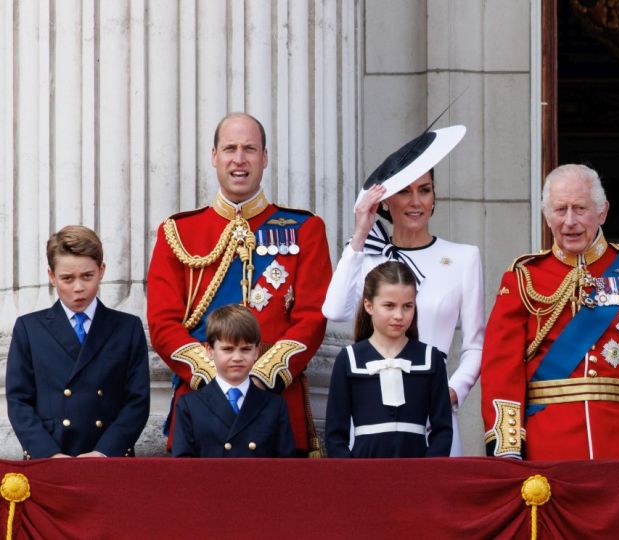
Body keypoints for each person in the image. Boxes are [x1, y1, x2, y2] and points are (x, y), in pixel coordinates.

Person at [147, 112, 332, 456]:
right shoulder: (178, 232)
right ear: (214, 156)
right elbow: (162, 323)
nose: (239, 159)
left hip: (276, 403)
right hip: (200, 406)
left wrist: (261, 375)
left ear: (264, 158)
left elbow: (312, 317)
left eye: (250, 148)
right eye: (230, 148)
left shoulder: (306, 229)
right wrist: (213, 377)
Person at [480, 164, 619, 460]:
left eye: (580, 209)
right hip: (547, 448)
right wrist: (508, 450)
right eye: (560, 209)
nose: (569, 221)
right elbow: (501, 369)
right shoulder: (523, 277)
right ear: (546, 215)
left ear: (602, 212)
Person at [322, 125, 483, 456]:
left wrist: (449, 393)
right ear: (386, 201)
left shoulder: (465, 258)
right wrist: (359, 236)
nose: (415, 202)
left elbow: (475, 345)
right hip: (371, 422)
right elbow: (334, 310)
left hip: (432, 418)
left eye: (424, 190)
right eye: (405, 191)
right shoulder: (366, 256)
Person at [6, 225, 150, 459]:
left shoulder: (127, 328)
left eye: (87, 276)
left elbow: (137, 401)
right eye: (67, 278)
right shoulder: (29, 328)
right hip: (50, 458)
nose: (78, 288)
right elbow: (19, 400)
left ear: (101, 271)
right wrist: (49, 454)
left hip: (108, 460)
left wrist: (104, 452)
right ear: (52, 276)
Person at [325, 261, 452, 458]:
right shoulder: (349, 359)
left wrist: (429, 472)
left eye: (407, 306)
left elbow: (442, 429)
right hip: (363, 474)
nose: (399, 315)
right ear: (369, 305)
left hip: (418, 473)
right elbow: (335, 435)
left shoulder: (430, 358)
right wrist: (350, 474)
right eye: (389, 306)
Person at [171, 305, 295, 457]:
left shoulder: (274, 406)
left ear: (257, 352)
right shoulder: (190, 406)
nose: (237, 358)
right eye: (228, 349)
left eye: (245, 349)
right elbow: (183, 468)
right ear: (210, 351)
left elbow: (285, 469)